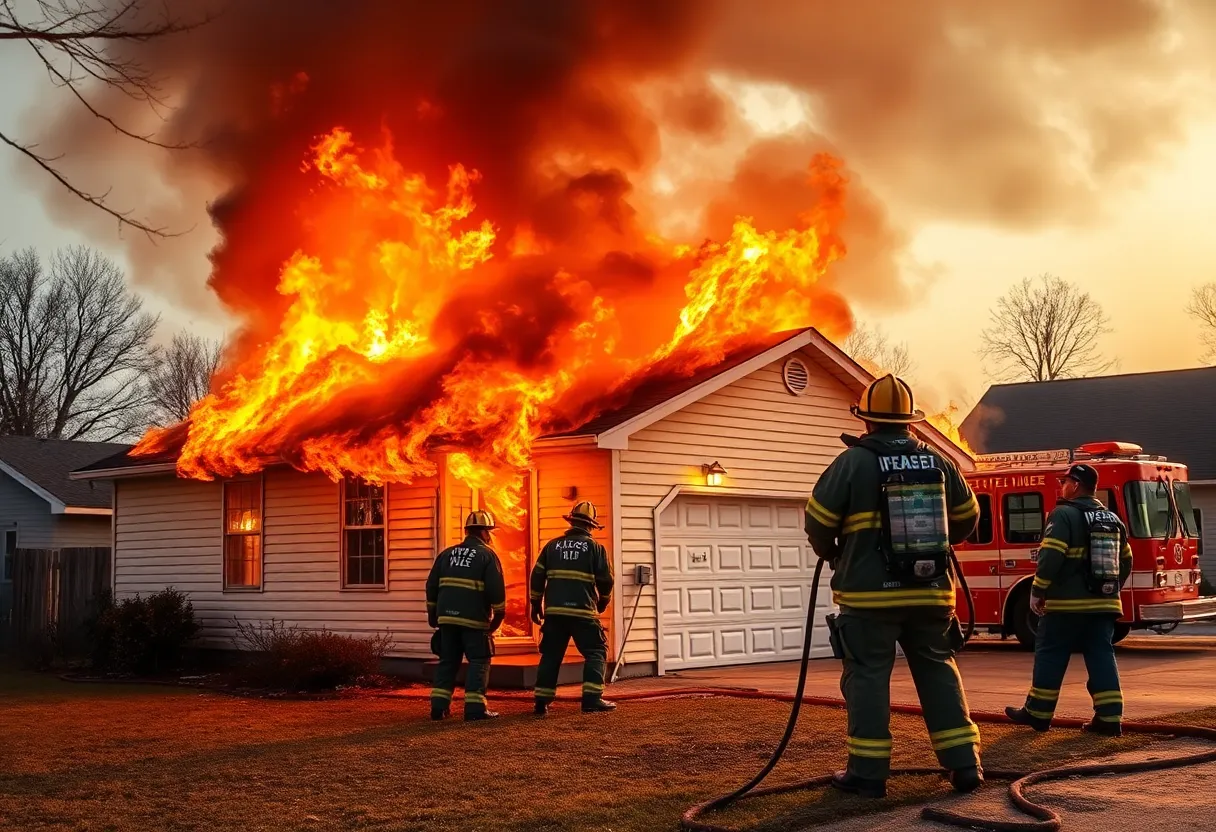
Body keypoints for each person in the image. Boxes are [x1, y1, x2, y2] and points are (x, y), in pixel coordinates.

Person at [804, 374, 984, 799]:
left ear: (866, 421)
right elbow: (968, 519)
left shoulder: (852, 463)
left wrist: (834, 552)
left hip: (869, 597)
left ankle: (868, 774)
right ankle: (965, 765)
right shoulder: (940, 461)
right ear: (909, 421)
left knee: (867, 676)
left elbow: (818, 522)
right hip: (931, 591)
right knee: (938, 669)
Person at [1005, 463, 1133, 736]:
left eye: (1064, 482)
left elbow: (1051, 555)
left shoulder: (1062, 514)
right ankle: (1110, 718)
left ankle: (1038, 714)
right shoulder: (1112, 519)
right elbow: (1126, 560)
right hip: (1104, 605)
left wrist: (1038, 590)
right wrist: (1110, 589)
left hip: (1065, 606)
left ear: (1075, 485)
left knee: (1051, 654)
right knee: (1101, 655)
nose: (1061, 486)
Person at [530, 500, 616, 715]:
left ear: (572, 522)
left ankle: (541, 701)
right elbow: (606, 580)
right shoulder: (595, 548)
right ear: (591, 526)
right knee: (596, 651)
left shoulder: (552, 546)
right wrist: (603, 600)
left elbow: (537, 575)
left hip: (554, 612)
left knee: (551, 654)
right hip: (583, 612)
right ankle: (592, 699)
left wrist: (535, 604)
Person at [425, 510, 507, 721]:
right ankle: (475, 709)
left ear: (467, 531)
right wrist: (498, 616)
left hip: (447, 620)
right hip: (474, 620)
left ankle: (438, 708)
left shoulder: (446, 555)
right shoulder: (487, 556)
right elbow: (496, 589)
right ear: (483, 532)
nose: (490, 536)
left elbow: (431, 586)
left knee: (448, 661)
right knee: (479, 660)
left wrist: (433, 614)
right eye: (489, 532)